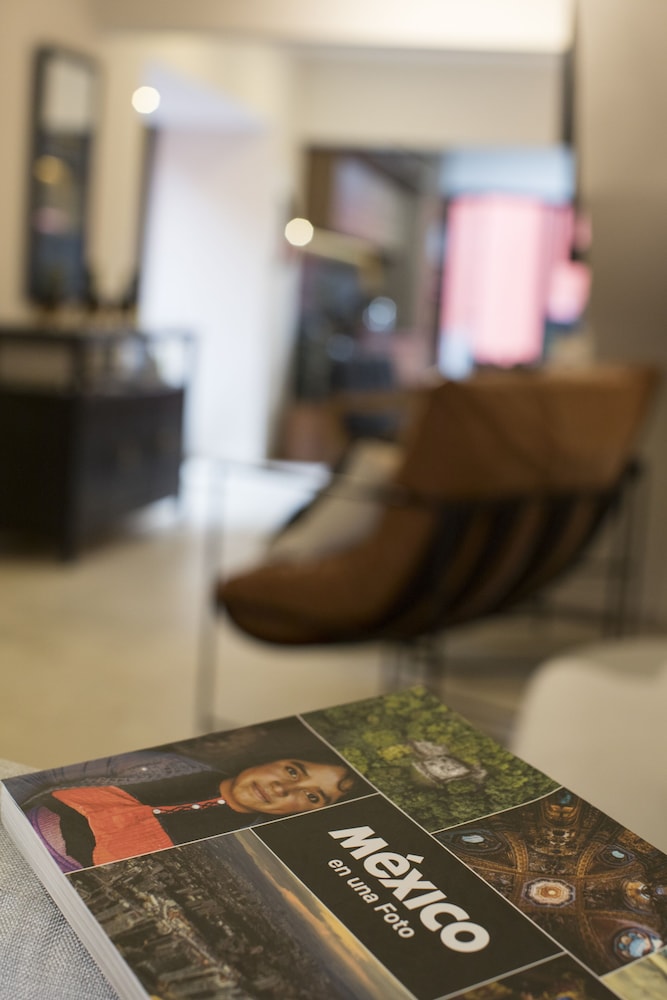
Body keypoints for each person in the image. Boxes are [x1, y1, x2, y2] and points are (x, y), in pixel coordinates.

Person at [22, 755, 359, 873]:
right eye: (293, 771)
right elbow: (39, 778)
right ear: (275, 758)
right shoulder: (166, 765)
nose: (283, 789)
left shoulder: (230, 849)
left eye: (312, 796)